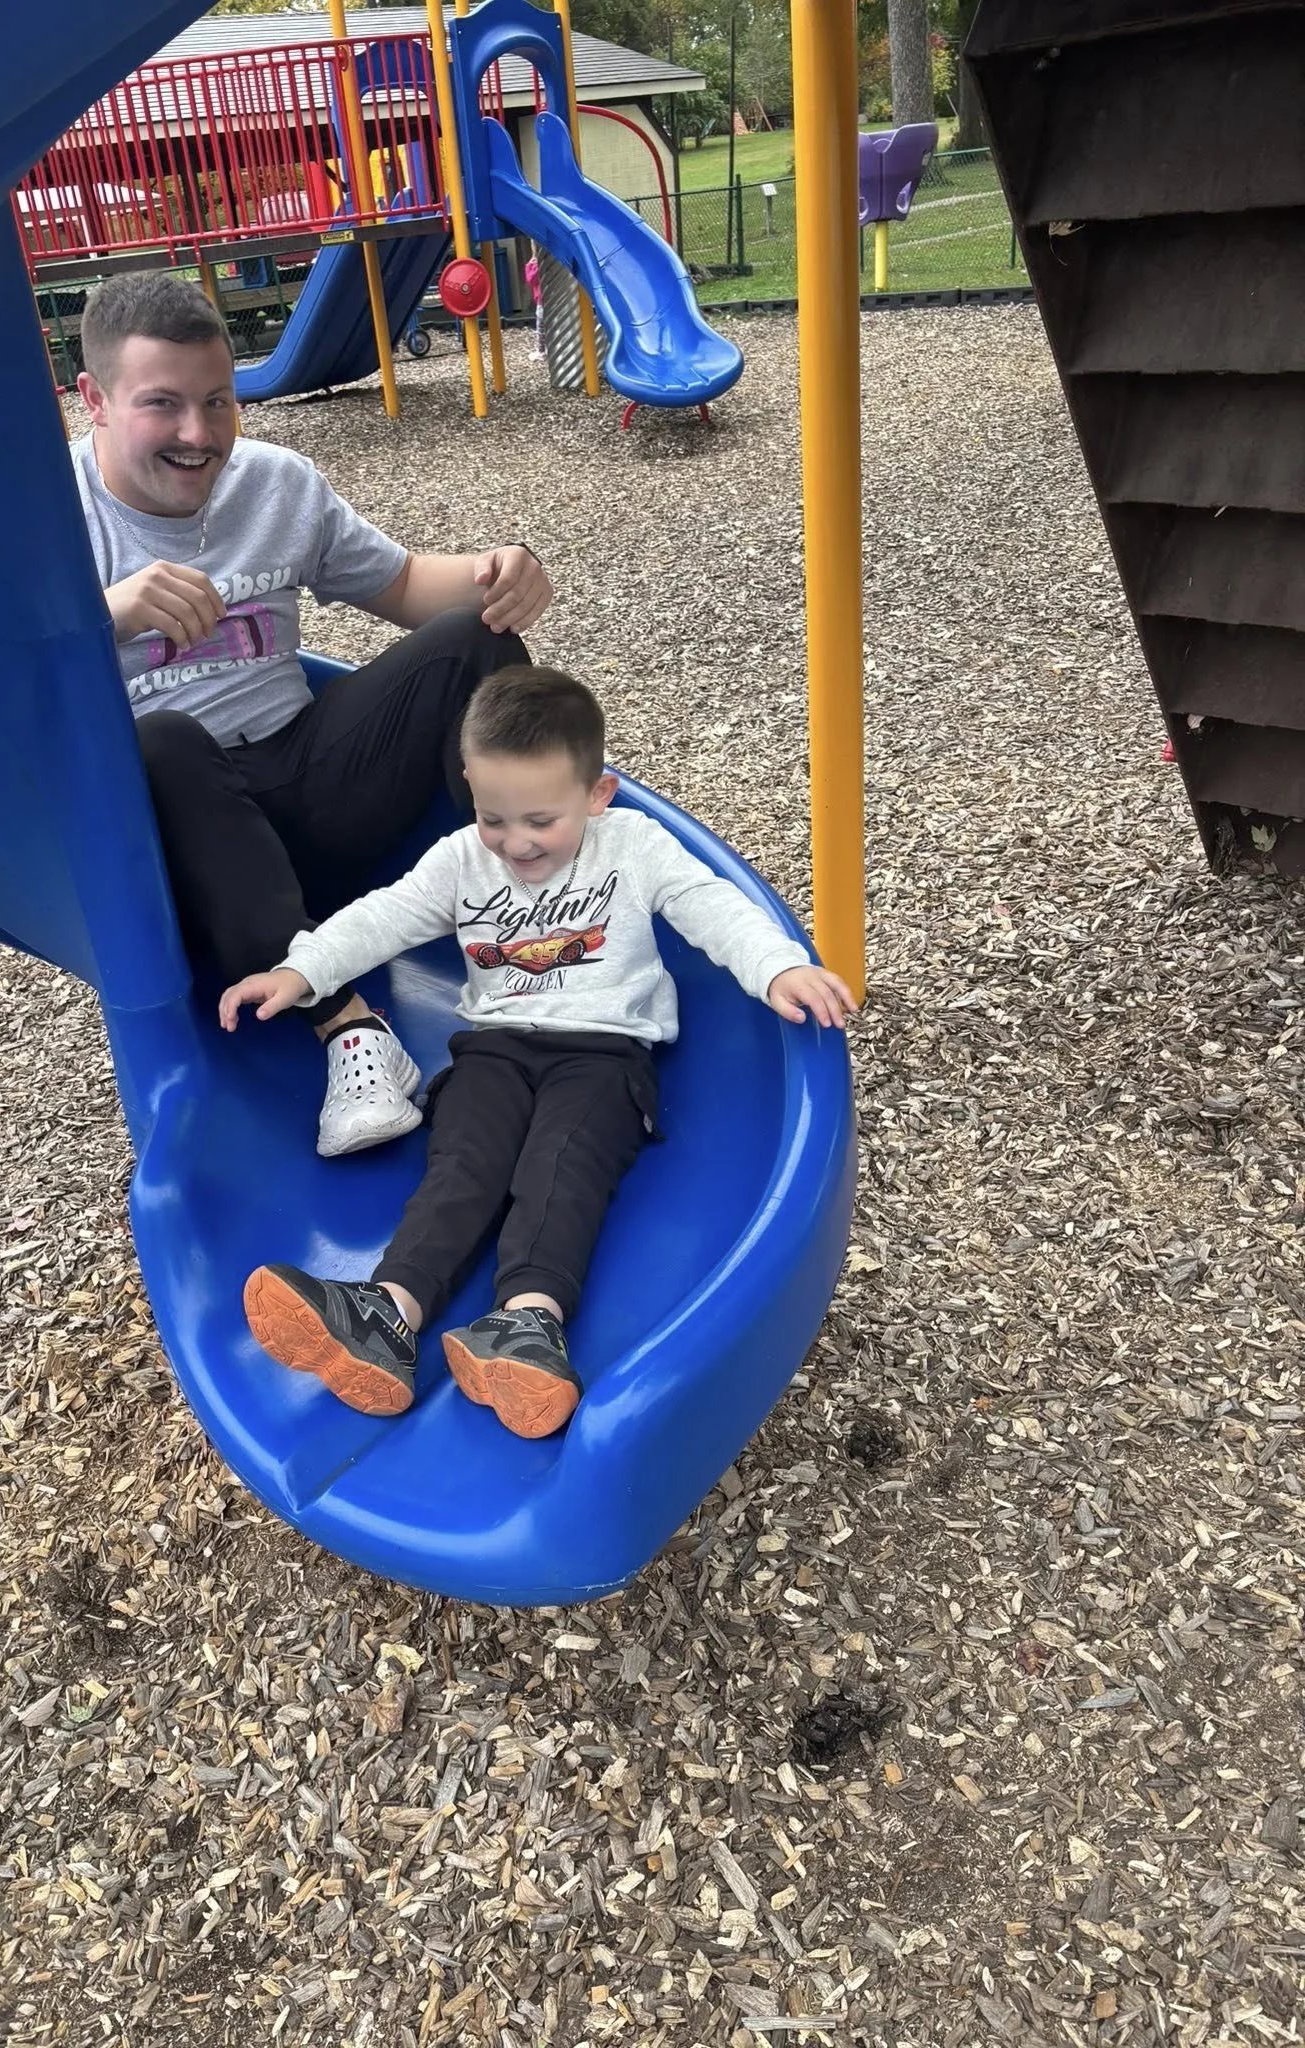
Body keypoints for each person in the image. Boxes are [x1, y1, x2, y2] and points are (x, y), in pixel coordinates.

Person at [219, 666, 858, 1439]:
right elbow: (383, 917)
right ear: (469, 788)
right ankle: (385, 1313)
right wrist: (302, 969)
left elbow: (711, 905)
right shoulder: (462, 859)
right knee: (464, 1166)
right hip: (493, 1049)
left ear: (598, 794)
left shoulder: (633, 846)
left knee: (559, 1167)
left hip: (605, 1054)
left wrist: (776, 965)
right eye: (495, 817)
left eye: (541, 821)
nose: (516, 843)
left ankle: (526, 1323)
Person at [70, 270, 554, 1157]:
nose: (197, 433)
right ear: (94, 399)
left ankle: (531, 927)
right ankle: (350, 1030)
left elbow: (407, 586)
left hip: (305, 782)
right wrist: (104, 613)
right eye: (162, 404)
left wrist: (501, 566)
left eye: (218, 401)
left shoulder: (274, 483)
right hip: (189, 850)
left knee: (472, 642)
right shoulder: (55, 521)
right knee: (159, 741)